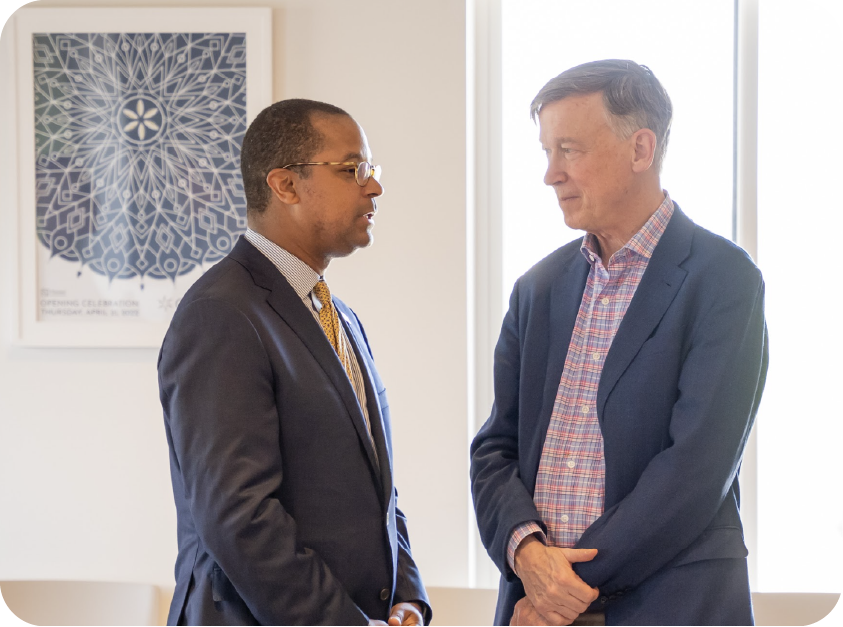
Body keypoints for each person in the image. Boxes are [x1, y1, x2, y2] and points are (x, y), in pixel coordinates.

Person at [470, 60, 768, 626]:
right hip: (537, 606)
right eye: (546, 152)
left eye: (569, 149)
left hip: (667, 605)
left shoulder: (724, 280)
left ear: (640, 149)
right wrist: (527, 554)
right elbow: (493, 450)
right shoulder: (536, 289)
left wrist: (563, 585)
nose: (550, 174)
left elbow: (695, 469)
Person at [159, 99, 430, 626]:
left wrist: (407, 598)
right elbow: (239, 517)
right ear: (284, 185)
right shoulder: (222, 314)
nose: (373, 186)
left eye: (371, 170)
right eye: (353, 169)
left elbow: (378, 487)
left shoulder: (338, 315)